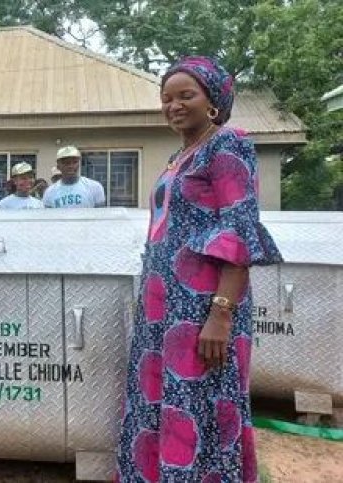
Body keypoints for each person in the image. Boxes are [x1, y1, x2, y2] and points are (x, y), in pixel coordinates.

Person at [115, 57, 283, 482]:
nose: (173, 105)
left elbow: (240, 229)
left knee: (199, 403)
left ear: (213, 102)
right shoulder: (179, 156)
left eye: (186, 95)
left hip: (203, 306)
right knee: (160, 398)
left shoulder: (228, 144)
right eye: (166, 98)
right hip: (162, 308)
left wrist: (221, 313)